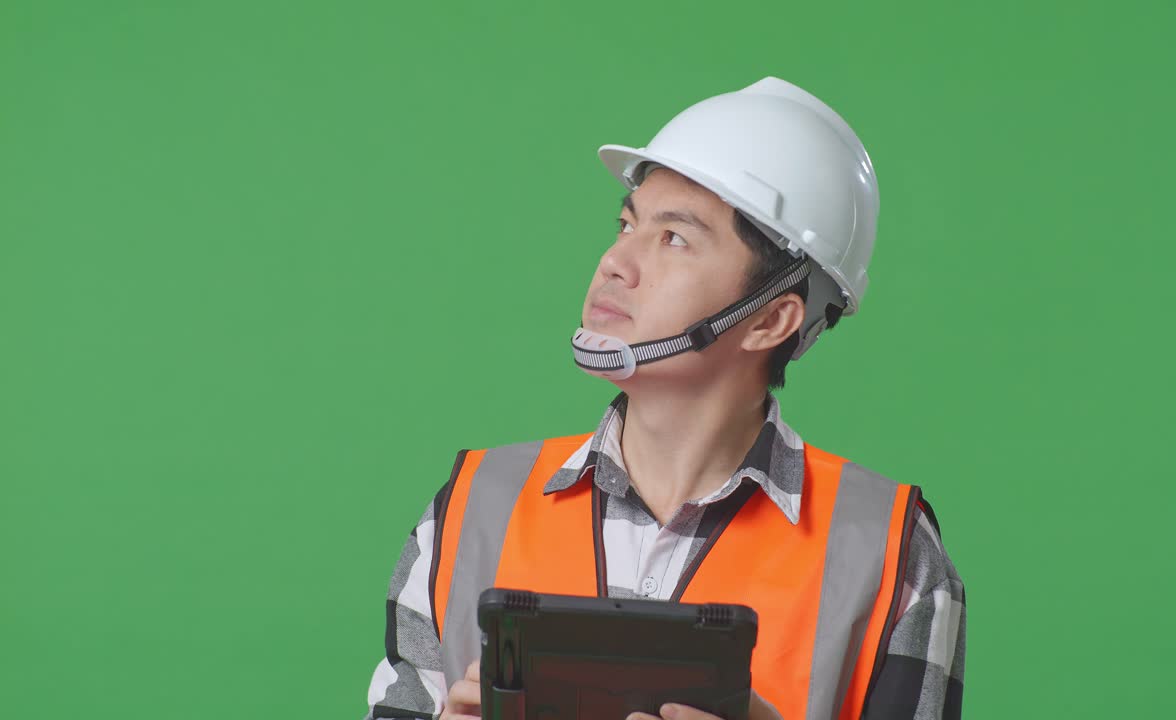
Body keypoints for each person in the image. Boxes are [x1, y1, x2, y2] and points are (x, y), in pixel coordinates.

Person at [363, 76, 965, 720]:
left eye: (674, 238)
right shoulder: (471, 507)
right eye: (627, 223)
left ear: (770, 320)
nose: (615, 262)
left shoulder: (889, 550)